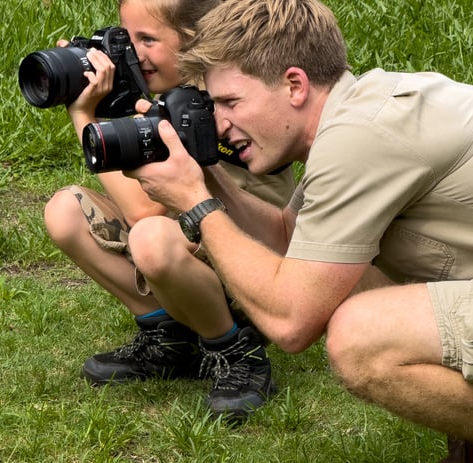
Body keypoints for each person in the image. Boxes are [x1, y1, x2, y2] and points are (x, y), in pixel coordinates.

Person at [123, 0, 473, 463]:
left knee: (362, 336)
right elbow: (288, 237)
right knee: (344, 274)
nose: (222, 124)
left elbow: (292, 322)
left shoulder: (363, 137)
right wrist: (207, 176)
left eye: (231, 103)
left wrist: (195, 205)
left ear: (294, 85)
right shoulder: (361, 112)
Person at [43, 0, 296, 420]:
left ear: (195, 42)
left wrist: (87, 115)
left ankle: (237, 352)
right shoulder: (173, 97)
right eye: (126, 36)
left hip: (253, 267)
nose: (132, 53)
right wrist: (118, 97)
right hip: (192, 247)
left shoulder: (213, 107)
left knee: (151, 237)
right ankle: (170, 339)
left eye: (148, 40)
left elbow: (144, 211)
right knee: (65, 211)